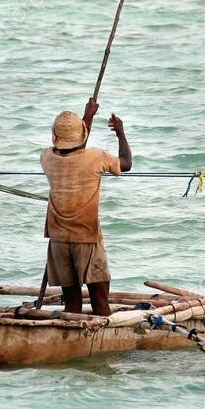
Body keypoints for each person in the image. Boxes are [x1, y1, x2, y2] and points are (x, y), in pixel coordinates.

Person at [40, 98, 132, 316]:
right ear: (82, 135)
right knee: (101, 305)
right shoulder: (96, 157)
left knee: (72, 306)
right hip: (87, 239)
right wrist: (120, 133)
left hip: (59, 240)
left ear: (55, 137)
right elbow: (126, 164)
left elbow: (74, 148)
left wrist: (88, 116)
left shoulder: (47, 158)